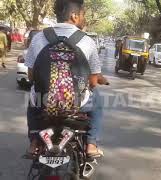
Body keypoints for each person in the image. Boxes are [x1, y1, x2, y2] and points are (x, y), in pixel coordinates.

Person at [25, 0, 108, 158]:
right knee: (97, 98)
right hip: (77, 105)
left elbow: (31, 76)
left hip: (44, 102)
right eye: (83, 14)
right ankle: (91, 144)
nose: (84, 18)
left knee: (32, 96)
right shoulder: (87, 41)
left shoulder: (39, 38)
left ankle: (34, 142)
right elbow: (93, 82)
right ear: (74, 16)